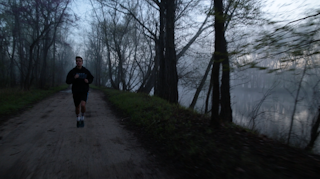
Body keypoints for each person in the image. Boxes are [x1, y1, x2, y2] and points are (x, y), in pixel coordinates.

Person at [66, 56, 94, 128]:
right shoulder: (72, 72)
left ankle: (82, 116)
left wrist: (88, 81)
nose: (78, 62)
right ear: (76, 62)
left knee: (83, 105)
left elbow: (91, 78)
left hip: (84, 91)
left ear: (82, 62)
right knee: (77, 106)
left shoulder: (86, 71)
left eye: (80, 61)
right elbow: (67, 81)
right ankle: (78, 118)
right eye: (77, 61)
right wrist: (74, 78)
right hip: (75, 91)